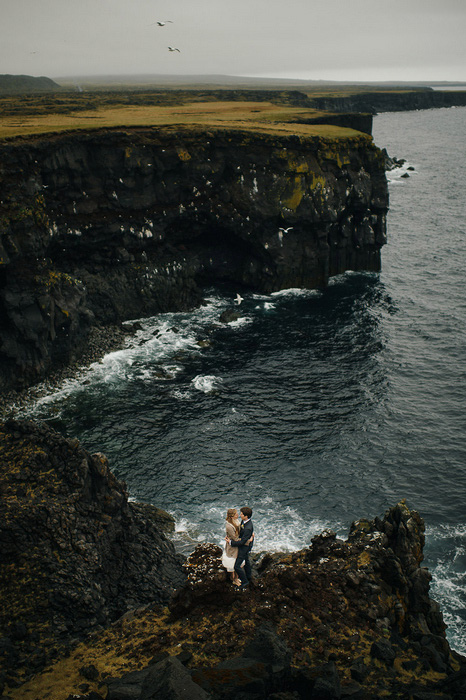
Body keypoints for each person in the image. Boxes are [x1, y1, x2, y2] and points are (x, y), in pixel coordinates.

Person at [226, 506, 254, 590]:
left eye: (241, 514)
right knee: (247, 561)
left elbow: (242, 542)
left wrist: (230, 542)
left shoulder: (248, 527)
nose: (240, 515)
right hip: (245, 544)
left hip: (244, 547)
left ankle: (245, 581)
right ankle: (248, 576)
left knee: (237, 566)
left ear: (246, 516)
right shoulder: (244, 521)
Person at [221, 508, 242, 586]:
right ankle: (233, 579)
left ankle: (236, 578)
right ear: (232, 517)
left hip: (237, 546)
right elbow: (235, 539)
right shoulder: (229, 526)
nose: (238, 515)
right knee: (233, 564)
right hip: (233, 547)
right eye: (236, 514)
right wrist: (245, 539)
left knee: (237, 563)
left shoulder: (236, 521)